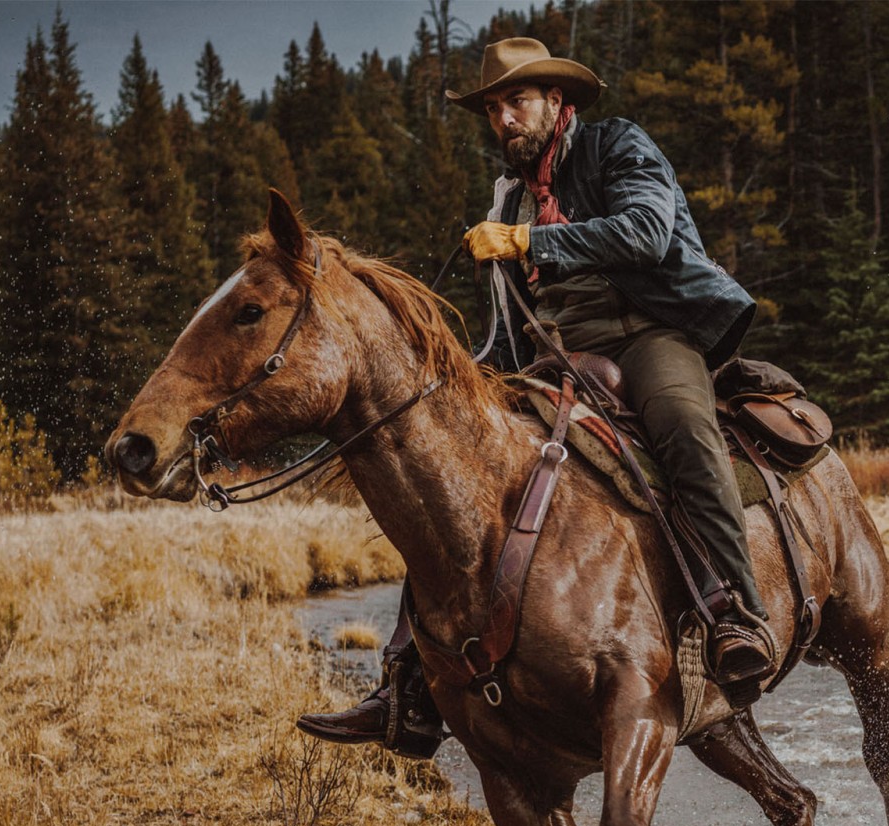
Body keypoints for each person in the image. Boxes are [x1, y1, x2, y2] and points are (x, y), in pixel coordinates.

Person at [297, 37, 775, 755]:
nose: (503, 120)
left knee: (682, 428)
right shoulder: (509, 194)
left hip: (648, 332)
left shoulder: (619, 146)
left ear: (558, 101)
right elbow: (507, 323)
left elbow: (647, 234)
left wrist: (527, 242)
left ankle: (735, 612)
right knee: (448, 483)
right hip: (553, 356)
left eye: (516, 102)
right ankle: (406, 687)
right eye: (492, 109)